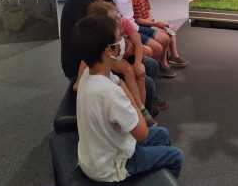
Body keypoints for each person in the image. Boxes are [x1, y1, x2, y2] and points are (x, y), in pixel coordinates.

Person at [73, 15, 183, 182]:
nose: (124, 42)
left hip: (96, 155)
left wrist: (126, 74)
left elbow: (118, 82)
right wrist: (136, 105)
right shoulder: (109, 93)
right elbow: (142, 133)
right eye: (120, 39)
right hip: (112, 166)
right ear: (109, 50)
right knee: (176, 156)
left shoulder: (90, 73)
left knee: (162, 134)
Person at [60, 0, 163, 114]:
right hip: (88, 63)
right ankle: (141, 122)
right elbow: (99, 45)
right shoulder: (80, 3)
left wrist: (127, 45)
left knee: (150, 65)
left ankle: (145, 108)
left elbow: (119, 32)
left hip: (107, 53)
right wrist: (127, 48)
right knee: (146, 79)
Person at [110, 0, 177, 77]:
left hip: (135, 26)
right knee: (157, 48)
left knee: (164, 39)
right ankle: (152, 70)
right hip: (130, 30)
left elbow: (133, 15)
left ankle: (160, 64)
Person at [130, 0, 188, 69]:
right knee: (166, 34)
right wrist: (155, 23)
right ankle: (164, 61)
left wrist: (154, 22)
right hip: (142, 26)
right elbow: (138, 19)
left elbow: (148, 13)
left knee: (170, 31)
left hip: (148, 23)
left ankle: (174, 56)